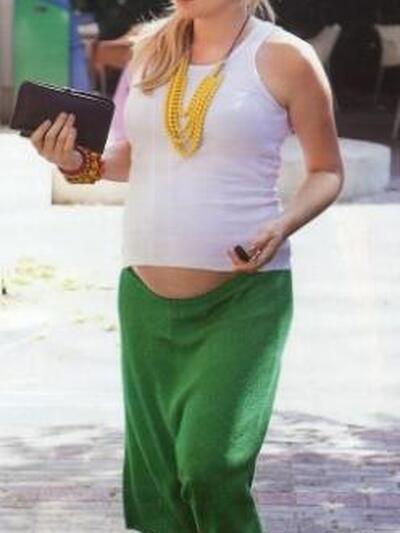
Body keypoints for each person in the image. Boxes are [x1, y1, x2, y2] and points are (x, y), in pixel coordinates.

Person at [29, 0, 344, 531]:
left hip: (242, 303)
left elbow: (327, 170)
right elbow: (136, 153)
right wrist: (76, 161)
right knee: (159, 486)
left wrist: (283, 225)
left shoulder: (287, 58)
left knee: (210, 467)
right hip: (144, 300)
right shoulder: (150, 50)